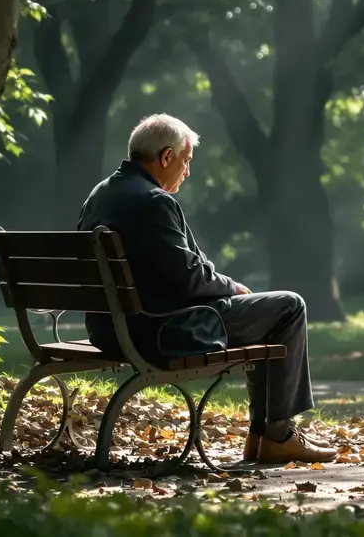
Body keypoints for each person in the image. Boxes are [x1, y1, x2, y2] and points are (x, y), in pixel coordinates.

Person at [77, 113, 335, 464]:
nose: (187, 172)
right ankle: (276, 435)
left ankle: (266, 436)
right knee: (288, 307)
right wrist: (231, 288)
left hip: (108, 330)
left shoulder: (101, 193)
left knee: (270, 313)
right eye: (185, 162)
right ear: (166, 157)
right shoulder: (153, 201)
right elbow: (190, 278)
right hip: (161, 330)